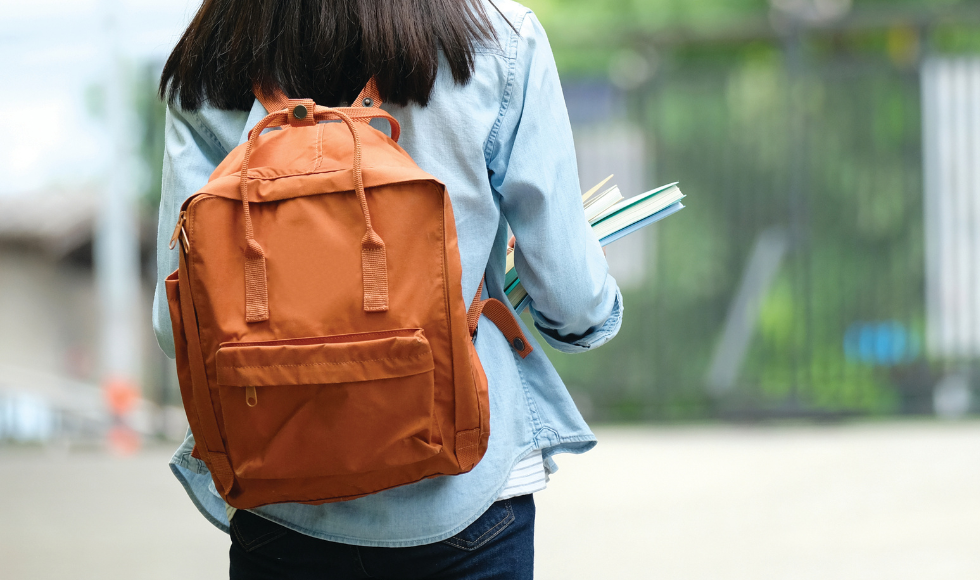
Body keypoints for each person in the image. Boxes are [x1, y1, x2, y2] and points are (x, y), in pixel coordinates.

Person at [153, 0, 623, 577]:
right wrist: (589, 316)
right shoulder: (497, 38)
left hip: (279, 505)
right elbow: (572, 296)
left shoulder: (211, 55)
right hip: (468, 500)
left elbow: (175, 328)